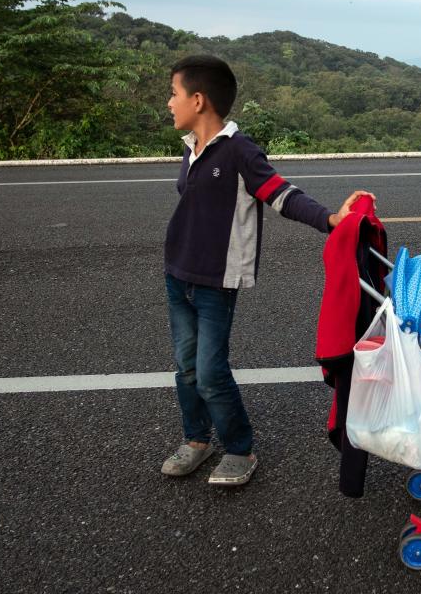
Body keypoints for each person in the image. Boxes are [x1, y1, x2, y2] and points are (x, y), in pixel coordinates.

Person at [159, 54, 374, 486]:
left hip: (216, 282)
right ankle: (197, 440)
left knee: (211, 371)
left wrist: (331, 220)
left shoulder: (240, 150)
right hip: (177, 273)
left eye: (174, 93)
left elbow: (282, 195)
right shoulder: (191, 148)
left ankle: (239, 448)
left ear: (198, 100)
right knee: (186, 368)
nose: (169, 102)